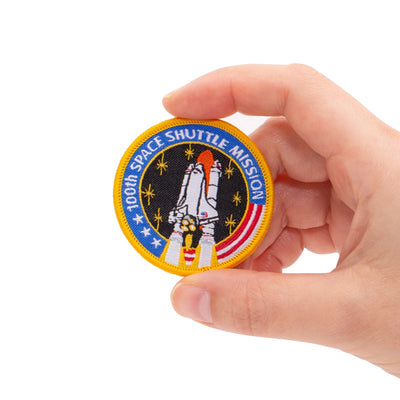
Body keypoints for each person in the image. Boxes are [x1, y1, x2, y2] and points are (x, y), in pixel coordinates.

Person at [163, 64, 400, 377]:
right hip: (191, 211)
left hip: (205, 215)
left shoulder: (207, 176)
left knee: (204, 236)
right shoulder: (194, 174)